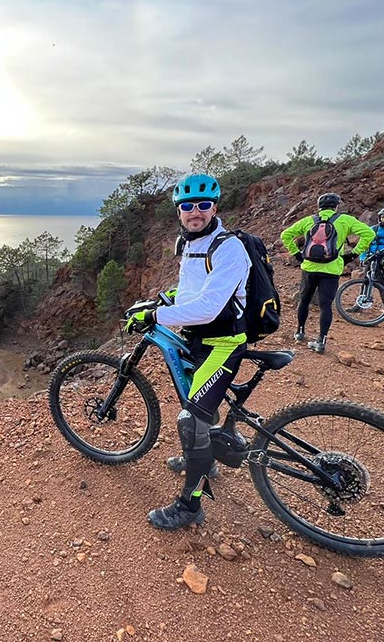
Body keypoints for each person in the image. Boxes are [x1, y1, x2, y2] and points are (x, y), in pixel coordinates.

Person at [123, 173, 251, 530]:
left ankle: (190, 505)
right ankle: (206, 459)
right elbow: (193, 289)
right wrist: (163, 300)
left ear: (215, 207)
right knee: (198, 407)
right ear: (179, 212)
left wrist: (156, 314)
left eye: (203, 205)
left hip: (223, 344)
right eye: (188, 206)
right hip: (200, 340)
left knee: (190, 419)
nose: (196, 212)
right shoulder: (191, 244)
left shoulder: (228, 248)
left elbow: (210, 306)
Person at [280, 193, 375, 354]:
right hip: (332, 269)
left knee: (304, 300)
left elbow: (285, 235)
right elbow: (369, 234)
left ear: (319, 207)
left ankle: (300, 332)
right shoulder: (345, 220)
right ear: (336, 206)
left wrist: (297, 254)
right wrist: (353, 254)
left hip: (309, 267)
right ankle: (321, 340)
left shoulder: (309, 220)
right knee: (325, 305)